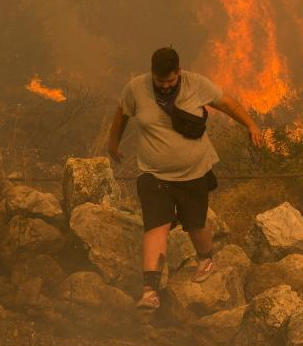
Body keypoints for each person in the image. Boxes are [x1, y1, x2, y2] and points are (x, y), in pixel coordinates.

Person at [107, 47, 262, 310]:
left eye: (170, 81)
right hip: (154, 174)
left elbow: (227, 103)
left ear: (178, 72)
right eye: (160, 81)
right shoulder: (136, 88)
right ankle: (149, 291)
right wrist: (113, 143)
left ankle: (206, 258)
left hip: (194, 173)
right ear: (152, 73)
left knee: (196, 225)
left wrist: (251, 124)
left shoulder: (196, 84)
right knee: (156, 226)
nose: (165, 86)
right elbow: (122, 113)